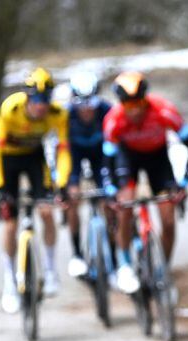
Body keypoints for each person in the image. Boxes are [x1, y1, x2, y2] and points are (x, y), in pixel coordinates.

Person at [101, 70, 188, 293]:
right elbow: (107, 160)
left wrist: (184, 182)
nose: (134, 110)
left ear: (145, 98)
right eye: (129, 105)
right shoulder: (113, 119)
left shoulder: (164, 110)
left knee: (168, 220)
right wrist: (110, 189)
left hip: (158, 159)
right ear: (121, 103)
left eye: (139, 103)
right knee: (125, 206)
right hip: (128, 159)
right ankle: (125, 265)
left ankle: (163, 270)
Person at [0, 67, 70, 314]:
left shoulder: (57, 114)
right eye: (36, 101)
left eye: (45, 100)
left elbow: (63, 150)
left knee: (46, 211)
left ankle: (51, 270)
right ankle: (9, 281)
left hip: (34, 159)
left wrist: (62, 182)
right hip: (8, 160)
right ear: (27, 98)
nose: (41, 107)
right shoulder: (10, 109)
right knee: (10, 224)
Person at [63, 71, 113, 280]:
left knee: (109, 201)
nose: (86, 110)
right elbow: (59, 149)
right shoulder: (66, 115)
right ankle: (77, 254)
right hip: (74, 155)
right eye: (81, 105)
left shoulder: (107, 110)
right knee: (72, 198)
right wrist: (65, 184)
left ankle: (114, 258)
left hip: (100, 155)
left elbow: (115, 146)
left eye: (90, 104)